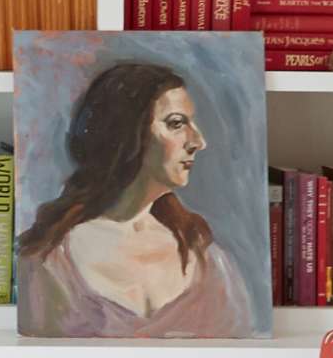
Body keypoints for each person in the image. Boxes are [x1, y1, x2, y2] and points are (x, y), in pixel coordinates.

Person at [13, 57, 263, 339]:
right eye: (177, 123)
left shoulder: (207, 258)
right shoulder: (51, 260)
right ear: (127, 133)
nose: (198, 141)